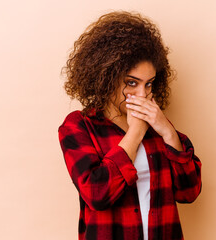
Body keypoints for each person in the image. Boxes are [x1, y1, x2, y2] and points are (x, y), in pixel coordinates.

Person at [58, 10, 202, 240]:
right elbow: (97, 194)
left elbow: (189, 192)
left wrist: (167, 131)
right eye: (132, 83)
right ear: (105, 76)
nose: (141, 94)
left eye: (149, 84)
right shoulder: (78, 127)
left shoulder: (158, 126)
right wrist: (135, 132)